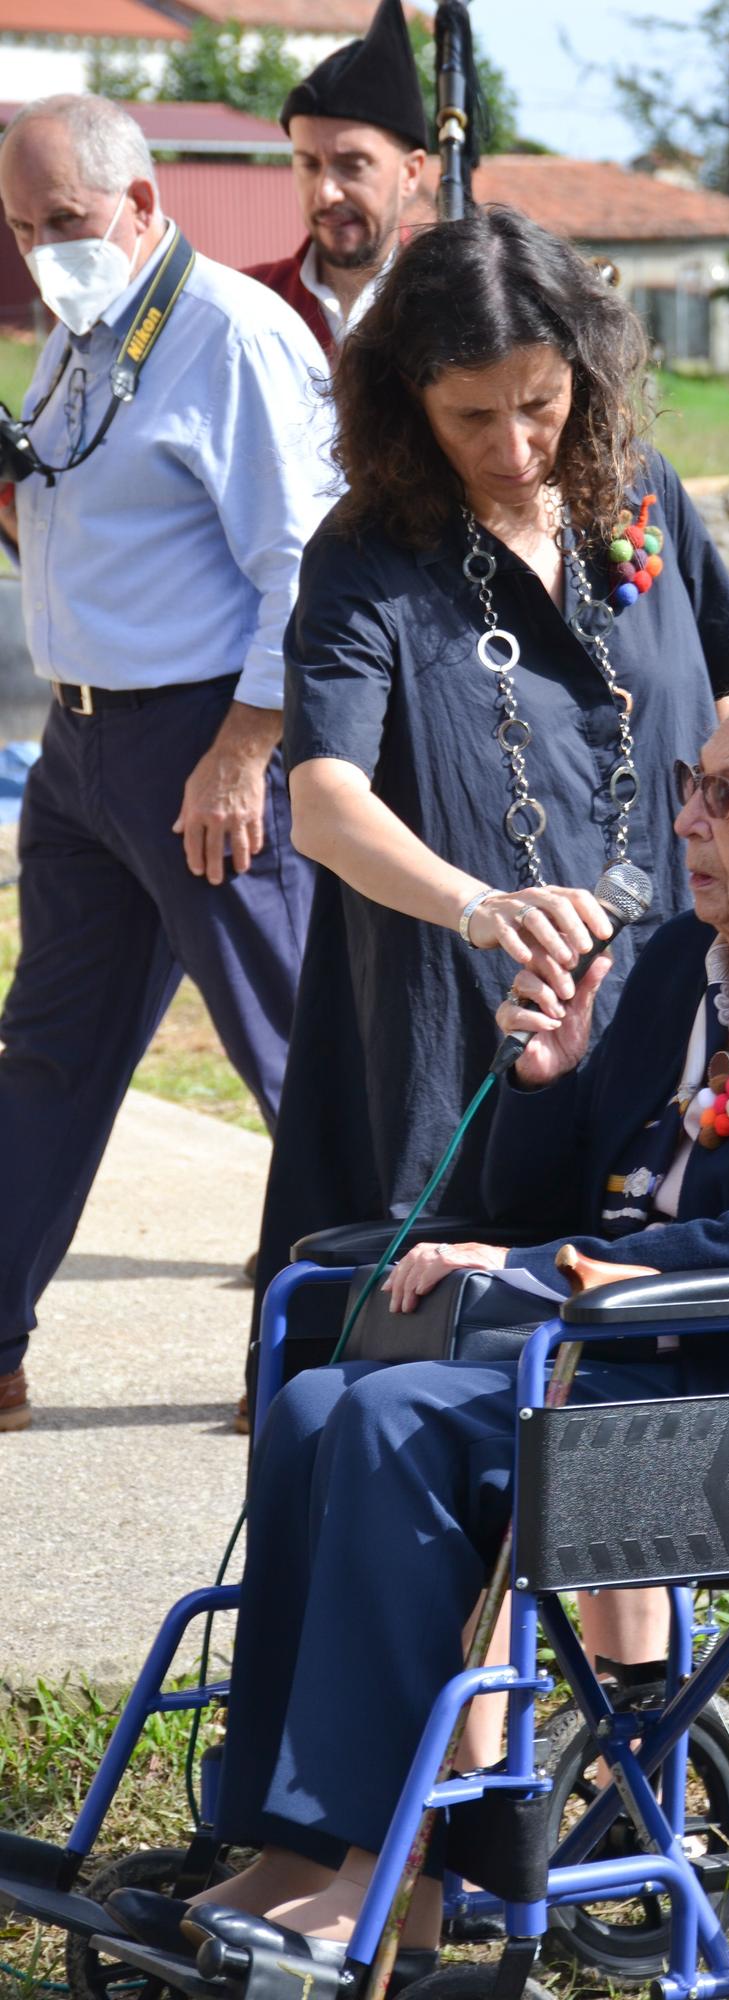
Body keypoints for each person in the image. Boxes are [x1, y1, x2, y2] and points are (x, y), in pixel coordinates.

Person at [106, 657, 729, 1963]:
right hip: (605, 1364)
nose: (685, 820)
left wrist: (569, 1275)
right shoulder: (677, 964)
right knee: (322, 1399)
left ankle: (404, 1879)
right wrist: (549, 1080)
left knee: (396, 1425)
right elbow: (542, 1196)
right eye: (692, 784)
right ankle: (295, 1841)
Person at [251, 205, 729, 1360]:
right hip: (463, 1007)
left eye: (541, 404)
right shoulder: (365, 557)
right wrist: (477, 906)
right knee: (440, 1350)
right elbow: (325, 800)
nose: (517, 444)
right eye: (472, 415)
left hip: (667, 981)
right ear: (406, 401)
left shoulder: (642, 498)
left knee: (647, 1320)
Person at [0, 94, 332, 1434]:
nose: (41, 251)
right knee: (47, 1055)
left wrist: (244, 750)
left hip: (203, 738)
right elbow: (91, 518)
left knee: (299, 1059)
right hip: (80, 742)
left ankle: (321, 1354)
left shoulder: (234, 336)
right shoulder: (76, 330)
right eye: (20, 230)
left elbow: (301, 564)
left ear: (142, 205)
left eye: (65, 223)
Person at [245, 0, 428, 355]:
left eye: (353, 164)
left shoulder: (456, 304)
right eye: (310, 165)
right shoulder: (247, 302)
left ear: (409, 173)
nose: (326, 193)